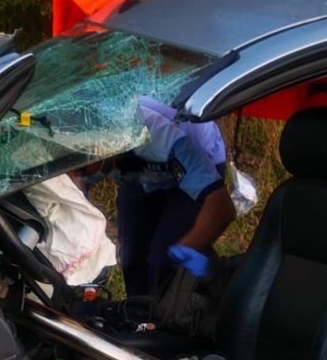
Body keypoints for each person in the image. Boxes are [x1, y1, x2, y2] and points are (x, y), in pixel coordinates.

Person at [77, 96, 236, 296]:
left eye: (82, 168)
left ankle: (177, 314)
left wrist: (187, 247)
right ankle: (138, 317)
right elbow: (73, 182)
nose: (77, 173)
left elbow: (222, 207)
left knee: (165, 258)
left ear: (105, 146)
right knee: (133, 254)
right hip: (140, 166)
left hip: (197, 159)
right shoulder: (88, 135)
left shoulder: (161, 137)